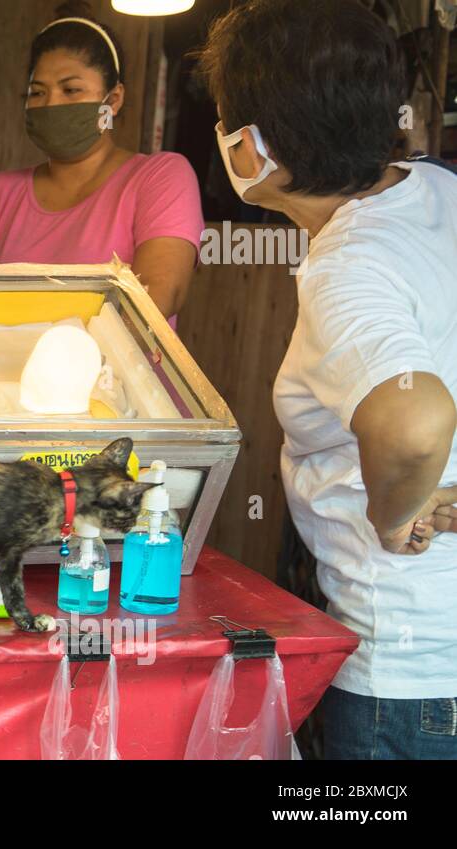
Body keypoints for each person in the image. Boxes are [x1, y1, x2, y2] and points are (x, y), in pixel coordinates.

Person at [200, 0, 457, 759]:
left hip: (409, 684)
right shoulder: (439, 194)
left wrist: (394, 511)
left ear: (251, 149)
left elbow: (415, 421)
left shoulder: (349, 267)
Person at [0, 2, 204, 319]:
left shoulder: (160, 177)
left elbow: (158, 297)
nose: (51, 104)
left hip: (113, 369)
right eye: (37, 93)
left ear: (113, 100)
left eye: (71, 90)